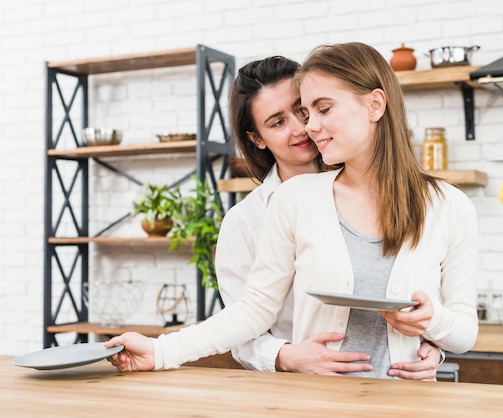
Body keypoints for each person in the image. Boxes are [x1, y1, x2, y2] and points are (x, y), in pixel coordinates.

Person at [105, 42, 479, 379]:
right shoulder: (295, 200)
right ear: (257, 138)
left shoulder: (450, 206)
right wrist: (161, 349)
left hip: (409, 405)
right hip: (315, 401)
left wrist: (435, 328)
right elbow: (253, 311)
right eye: (294, 116)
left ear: (375, 104)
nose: (309, 127)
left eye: (320, 110)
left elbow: (463, 331)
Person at [216, 56, 442, 379]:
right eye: (277, 122)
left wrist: (432, 346)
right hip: (302, 391)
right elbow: (241, 330)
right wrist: (289, 356)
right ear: (257, 138)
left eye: (302, 109)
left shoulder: (380, 194)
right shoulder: (244, 222)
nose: (302, 128)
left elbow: (428, 296)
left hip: (394, 387)